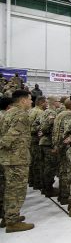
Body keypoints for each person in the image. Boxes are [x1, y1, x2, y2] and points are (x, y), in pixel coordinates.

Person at [0, 90, 34, 232]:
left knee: (9, 188)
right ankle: (12, 222)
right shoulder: (20, 114)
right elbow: (9, 137)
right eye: (30, 99)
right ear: (23, 100)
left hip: (9, 158)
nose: (31, 102)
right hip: (16, 159)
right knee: (17, 190)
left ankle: (8, 217)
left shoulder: (8, 112)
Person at [38, 96, 61, 197]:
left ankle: (46, 187)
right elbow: (46, 127)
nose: (59, 103)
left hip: (45, 142)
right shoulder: (51, 113)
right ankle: (48, 188)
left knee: (46, 166)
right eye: (58, 101)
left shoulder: (45, 112)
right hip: (49, 142)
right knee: (50, 167)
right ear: (53, 102)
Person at [52, 98, 71, 205]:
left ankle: (62, 195)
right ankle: (65, 196)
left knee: (62, 170)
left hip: (59, 145)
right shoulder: (69, 115)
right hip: (65, 146)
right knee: (66, 171)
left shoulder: (60, 114)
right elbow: (66, 132)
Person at [0, 97, 13, 229]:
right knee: (10, 187)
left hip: (5, 156)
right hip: (9, 156)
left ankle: (6, 216)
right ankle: (10, 219)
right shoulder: (6, 117)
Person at [28, 96, 46, 190]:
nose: (46, 104)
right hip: (36, 139)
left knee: (32, 161)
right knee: (38, 162)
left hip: (30, 138)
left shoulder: (31, 110)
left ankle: (31, 180)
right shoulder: (40, 112)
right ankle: (37, 182)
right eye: (45, 102)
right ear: (41, 103)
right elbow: (40, 126)